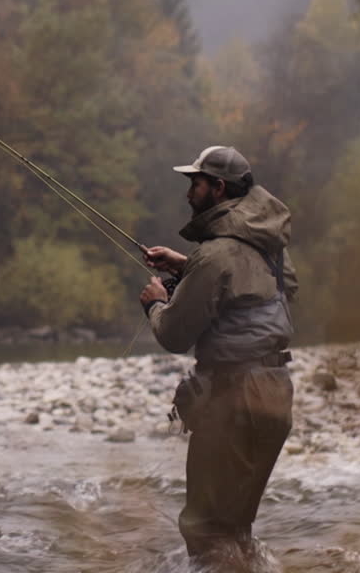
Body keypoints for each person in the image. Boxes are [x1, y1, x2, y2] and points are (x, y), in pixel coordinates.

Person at [139, 145, 297, 568]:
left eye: (196, 183)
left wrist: (156, 302)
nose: (189, 193)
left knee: (205, 530)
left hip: (233, 400)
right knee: (235, 531)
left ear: (218, 188)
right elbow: (274, 289)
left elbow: (174, 334)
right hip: (277, 395)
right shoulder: (269, 245)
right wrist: (188, 267)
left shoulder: (216, 254)